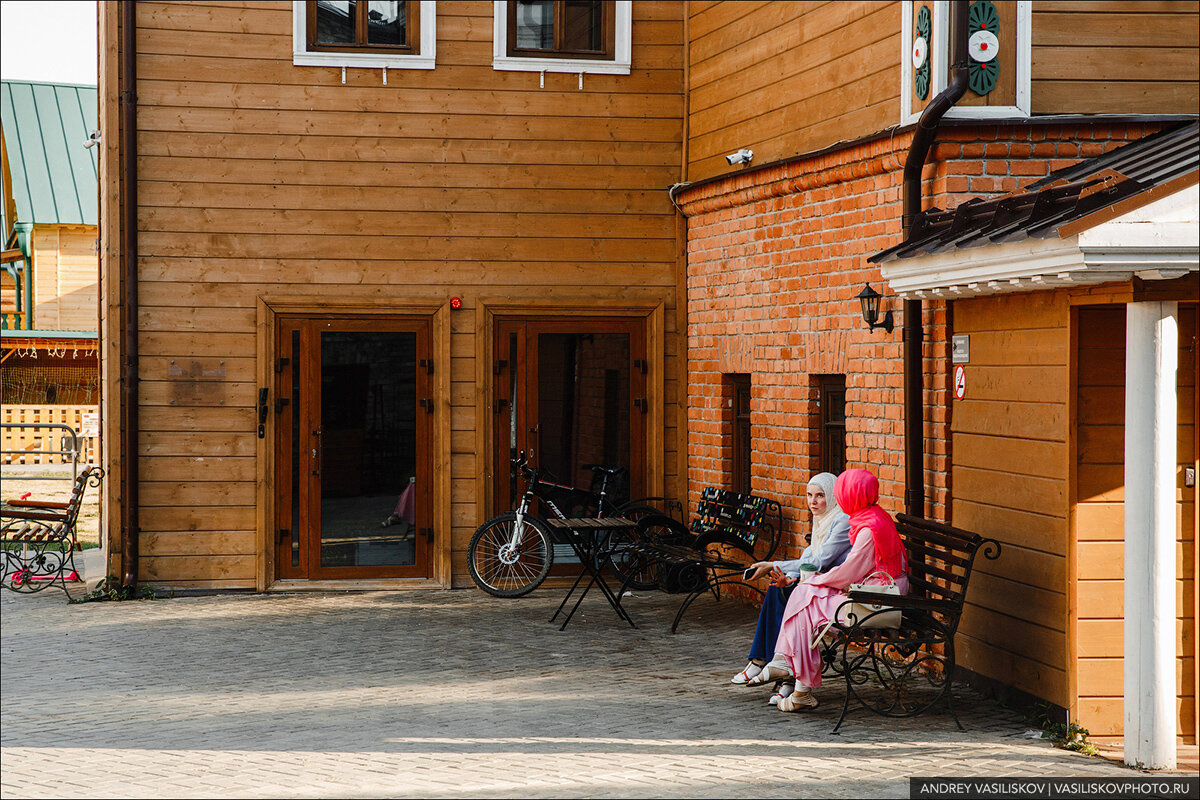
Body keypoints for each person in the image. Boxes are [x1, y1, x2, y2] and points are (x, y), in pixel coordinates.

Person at [756, 468, 909, 712]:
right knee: (804, 594)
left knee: (806, 598)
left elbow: (849, 571)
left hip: (878, 599)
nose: (839, 499)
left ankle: (795, 676)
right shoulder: (869, 517)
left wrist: (815, 580)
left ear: (852, 496)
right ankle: (789, 670)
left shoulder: (869, 528)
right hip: (870, 591)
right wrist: (813, 581)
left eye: (842, 494)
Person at [729, 472, 852, 705]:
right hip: (818, 586)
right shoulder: (822, 519)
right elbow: (809, 558)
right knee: (778, 588)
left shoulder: (842, 520)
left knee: (786, 592)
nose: (813, 502)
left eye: (820, 496)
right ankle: (771, 668)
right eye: (809, 495)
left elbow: (819, 562)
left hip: (831, 591)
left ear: (834, 497)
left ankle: (778, 671)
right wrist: (786, 575)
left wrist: (773, 565)